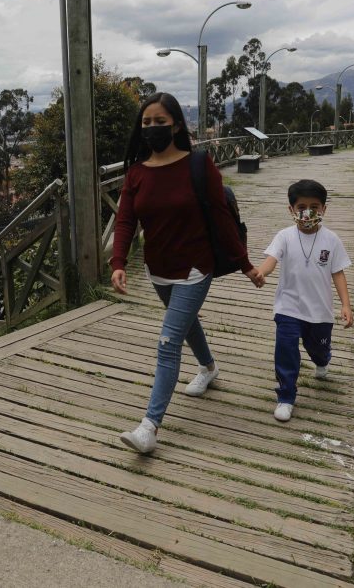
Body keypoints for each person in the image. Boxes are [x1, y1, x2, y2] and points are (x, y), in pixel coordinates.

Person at [110, 92, 261, 454]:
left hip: (196, 266)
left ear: (176, 124)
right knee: (186, 323)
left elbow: (222, 218)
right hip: (158, 269)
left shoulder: (198, 164)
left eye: (159, 122)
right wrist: (117, 263)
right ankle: (209, 368)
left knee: (169, 341)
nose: (152, 128)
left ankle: (149, 427)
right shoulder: (136, 172)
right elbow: (126, 220)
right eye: (146, 122)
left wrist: (245, 265)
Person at [254, 179, 353, 422]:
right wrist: (261, 273)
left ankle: (323, 360)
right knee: (286, 350)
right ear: (291, 210)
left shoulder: (332, 240)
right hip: (288, 307)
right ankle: (286, 396)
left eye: (314, 206)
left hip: (319, 311)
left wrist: (346, 304)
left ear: (324, 209)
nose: (307, 212)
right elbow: (271, 259)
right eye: (301, 207)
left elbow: (338, 273)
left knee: (317, 348)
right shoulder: (284, 236)